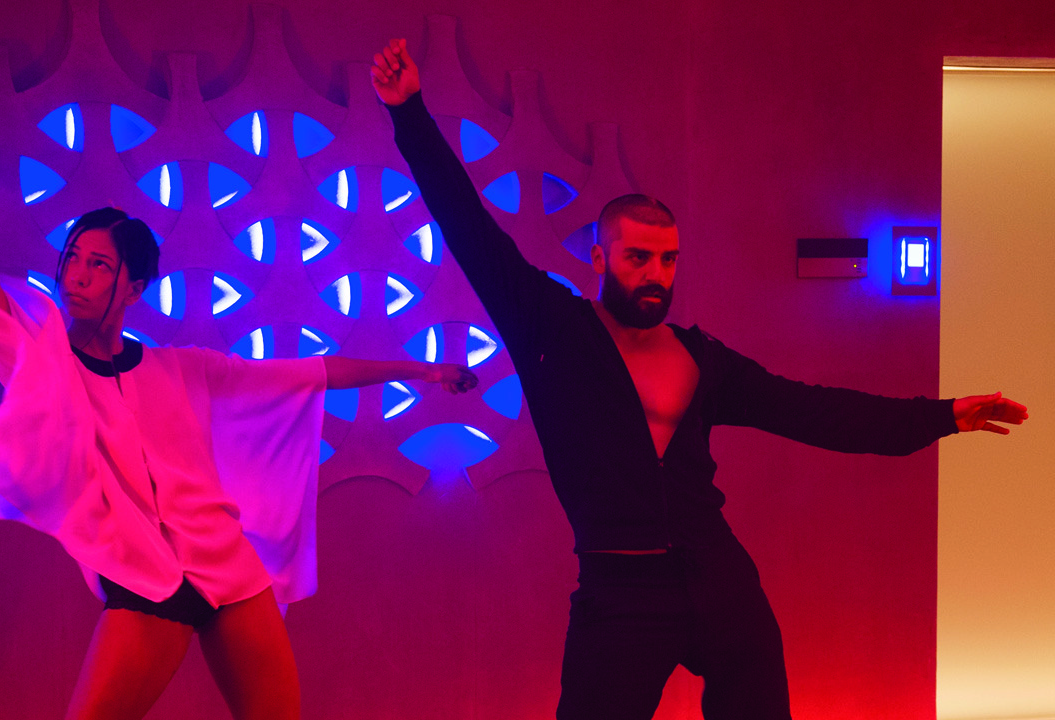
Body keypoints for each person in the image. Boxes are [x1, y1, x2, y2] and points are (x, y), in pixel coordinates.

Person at [370, 38, 1028, 719]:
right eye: (638, 258)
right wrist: (408, 111)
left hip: (720, 578)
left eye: (669, 260)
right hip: (620, 590)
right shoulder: (551, 328)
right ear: (600, 257)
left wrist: (943, 415)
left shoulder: (701, 358)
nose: (656, 275)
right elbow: (467, 224)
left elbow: (815, 412)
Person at [0, 37, 476, 720]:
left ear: (133, 287)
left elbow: (313, 373)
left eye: (100, 265)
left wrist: (423, 369)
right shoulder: (37, 360)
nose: (78, 275)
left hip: (231, 575)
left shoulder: (183, 368)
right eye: (74, 258)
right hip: (143, 583)